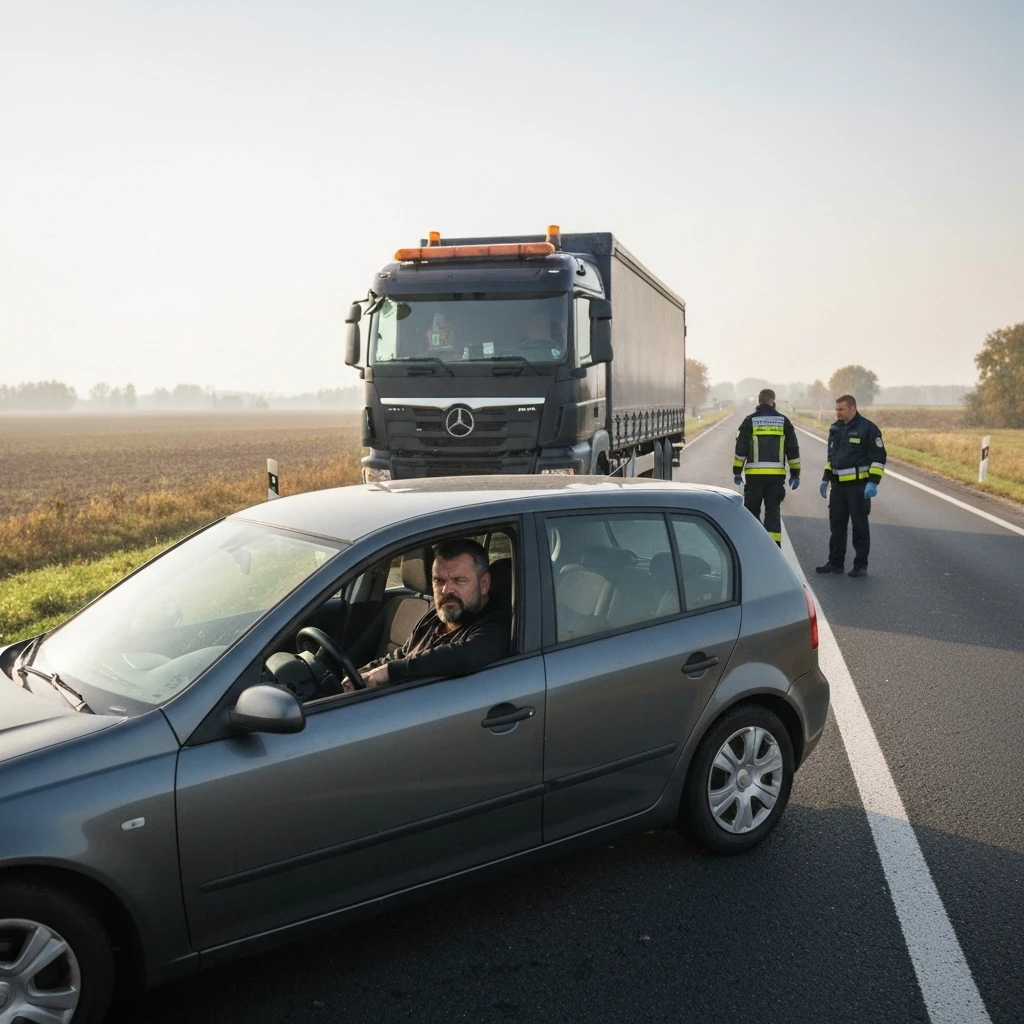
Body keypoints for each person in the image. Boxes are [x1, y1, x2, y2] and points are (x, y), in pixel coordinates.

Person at [350, 538, 512, 690]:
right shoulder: (436, 614)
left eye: (459, 580)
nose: (446, 590)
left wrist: (390, 671)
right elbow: (404, 653)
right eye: (438, 580)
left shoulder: (499, 623)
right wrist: (360, 675)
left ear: (484, 584)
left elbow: (468, 654)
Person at [816, 394, 887, 577]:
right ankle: (835, 563)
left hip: (858, 487)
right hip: (838, 488)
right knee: (837, 527)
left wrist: (873, 482)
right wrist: (826, 479)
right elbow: (831, 458)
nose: (837, 412)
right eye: (836, 409)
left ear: (852, 408)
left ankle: (860, 565)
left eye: (841, 409)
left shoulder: (868, 429)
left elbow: (878, 459)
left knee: (859, 527)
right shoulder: (835, 428)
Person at [732, 389, 801, 546]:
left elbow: (740, 449)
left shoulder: (749, 421)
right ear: (773, 401)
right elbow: (793, 450)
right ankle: (773, 548)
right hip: (776, 477)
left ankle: (754, 545)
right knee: (773, 512)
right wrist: (795, 474)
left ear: (759, 401)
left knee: (751, 512)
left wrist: (737, 472)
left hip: (754, 477)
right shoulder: (784, 421)